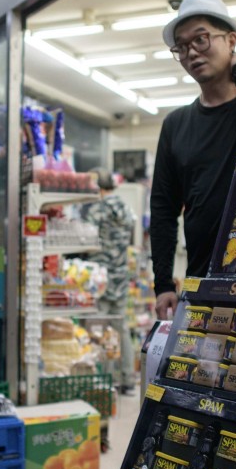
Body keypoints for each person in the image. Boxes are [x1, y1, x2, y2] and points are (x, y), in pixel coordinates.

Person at [150, 0, 236, 320]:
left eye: (201, 39)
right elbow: (163, 210)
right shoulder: (176, 124)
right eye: (181, 47)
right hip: (201, 280)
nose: (191, 53)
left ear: (230, 40)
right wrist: (162, 284)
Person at [80, 169, 137, 394]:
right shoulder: (125, 208)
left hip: (99, 277)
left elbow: (85, 239)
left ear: (97, 187)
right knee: (121, 328)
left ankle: (100, 380)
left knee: (97, 328)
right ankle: (128, 380)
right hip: (121, 275)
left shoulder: (94, 209)